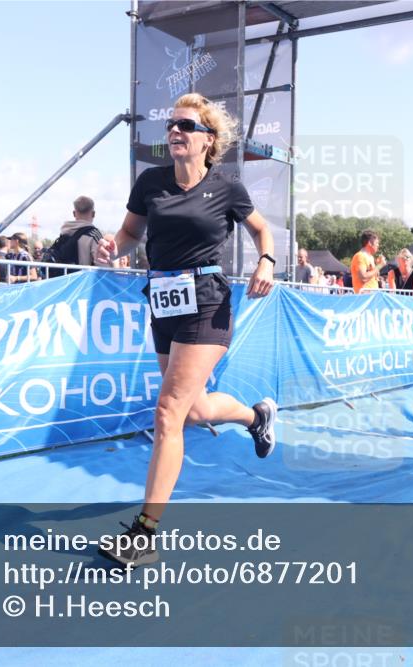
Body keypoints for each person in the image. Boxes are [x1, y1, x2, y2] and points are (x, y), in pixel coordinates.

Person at [93, 93, 276, 568]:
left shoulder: (226, 187)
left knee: (167, 413)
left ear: (208, 140)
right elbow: (130, 234)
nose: (175, 131)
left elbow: (262, 230)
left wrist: (267, 261)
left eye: (187, 126)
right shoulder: (150, 182)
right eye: (172, 124)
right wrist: (113, 247)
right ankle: (255, 418)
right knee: (193, 410)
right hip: (164, 300)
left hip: (208, 302)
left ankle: (144, 533)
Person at [43, 196, 104, 277]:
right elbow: (103, 265)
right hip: (84, 282)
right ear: (93, 214)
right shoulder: (94, 234)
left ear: (74, 213)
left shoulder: (64, 232)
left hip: (63, 281)